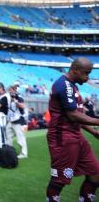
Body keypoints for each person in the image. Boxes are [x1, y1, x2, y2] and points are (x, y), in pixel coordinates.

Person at [46, 58, 99, 202]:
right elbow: (73, 115)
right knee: (60, 179)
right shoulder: (63, 85)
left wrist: (93, 131)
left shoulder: (72, 85)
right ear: (74, 69)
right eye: (86, 73)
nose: (87, 77)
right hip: (62, 137)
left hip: (76, 135)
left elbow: (77, 116)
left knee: (95, 173)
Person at [6, 85, 28, 159]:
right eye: (9, 89)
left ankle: (24, 153)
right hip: (10, 120)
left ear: (15, 90)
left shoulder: (19, 97)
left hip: (18, 121)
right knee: (8, 137)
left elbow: (23, 106)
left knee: (20, 138)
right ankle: (9, 152)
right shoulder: (8, 98)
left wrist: (16, 102)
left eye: (11, 89)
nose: (10, 91)